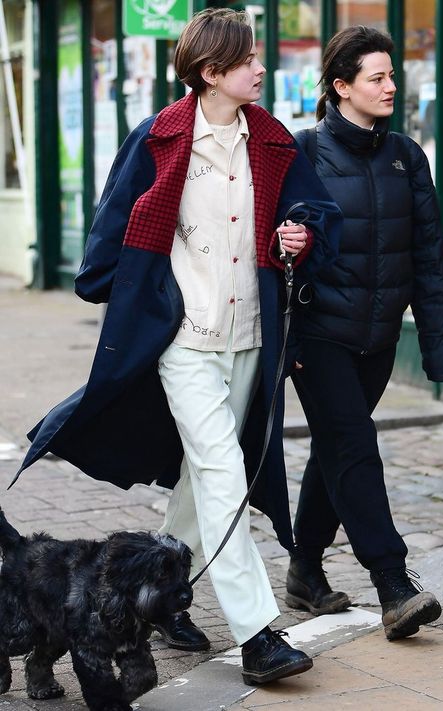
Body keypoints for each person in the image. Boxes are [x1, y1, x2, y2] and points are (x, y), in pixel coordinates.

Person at [13, 9, 341, 685]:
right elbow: (110, 240)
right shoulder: (160, 137)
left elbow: (316, 214)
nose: (261, 67)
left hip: (251, 338)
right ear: (212, 72)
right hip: (183, 344)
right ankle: (257, 634)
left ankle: (159, 592)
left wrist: (301, 235)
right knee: (225, 474)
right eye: (248, 59)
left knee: (202, 480)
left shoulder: (274, 140)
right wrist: (146, 298)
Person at [286, 26, 443, 642]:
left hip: (379, 338)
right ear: (341, 86)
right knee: (355, 445)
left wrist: (439, 349)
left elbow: (430, 258)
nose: (391, 86)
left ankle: (305, 571)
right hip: (318, 335)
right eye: (377, 77)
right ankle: (392, 582)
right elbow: (277, 240)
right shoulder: (303, 154)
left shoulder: (406, 157)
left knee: (336, 450)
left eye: (391, 75)